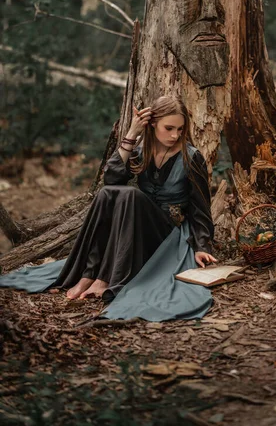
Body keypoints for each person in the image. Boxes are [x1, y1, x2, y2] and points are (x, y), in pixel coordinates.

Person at [0, 96, 217, 321]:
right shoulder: (142, 151)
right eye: (169, 128)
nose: (175, 135)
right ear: (152, 125)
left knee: (130, 195)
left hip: (168, 234)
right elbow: (111, 179)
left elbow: (200, 208)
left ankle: (107, 280)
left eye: (180, 129)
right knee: (108, 193)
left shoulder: (191, 157)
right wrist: (132, 133)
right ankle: (89, 274)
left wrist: (202, 246)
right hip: (138, 230)